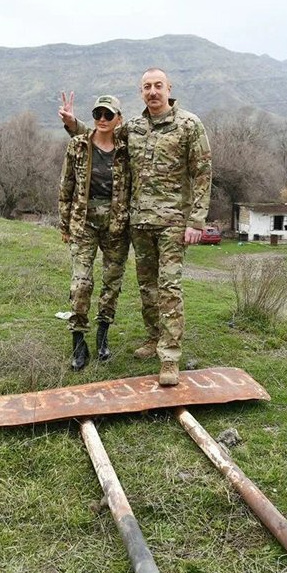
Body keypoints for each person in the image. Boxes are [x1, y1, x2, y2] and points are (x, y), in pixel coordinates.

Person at [59, 68, 212, 385]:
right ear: (141, 92)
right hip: (139, 222)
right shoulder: (135, 128)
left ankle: (169, 358)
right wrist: (72, 124)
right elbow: (101, 134)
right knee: (147, 288)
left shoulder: (189, 124)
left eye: (158, 86)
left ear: (169, 88)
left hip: (172, 222)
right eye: (147, 87)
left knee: (170, 286)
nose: (153, 91)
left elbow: (202, 173)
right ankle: (154, 337)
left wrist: (197, 219)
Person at [58, 95, 130, 371]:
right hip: (84, 224)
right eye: (97, 113)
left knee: (112, 284)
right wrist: (64, 224)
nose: (102, 118)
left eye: (108, 115)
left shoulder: (125, 150)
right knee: (81, 284)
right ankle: (78, 342)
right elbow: (65, 187)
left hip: (116, 226)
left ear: (118, 120)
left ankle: (102, 336)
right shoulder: (78, 146)